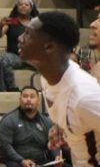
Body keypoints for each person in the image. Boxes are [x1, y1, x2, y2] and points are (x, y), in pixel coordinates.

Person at [18, 11, 100, 167]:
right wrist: (63, 127)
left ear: (48, 46)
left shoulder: (83, 96)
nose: (20, 38)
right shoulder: (47, 78)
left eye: (28, 34)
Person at [0, 86, 55, 167]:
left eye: (32, 96)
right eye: (25, 96)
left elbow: (54, 143)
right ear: (20, 100)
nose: (28, 99)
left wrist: (57, 157)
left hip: (41, 162)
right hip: (16, 162)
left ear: (39, 101)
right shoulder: (9, 120)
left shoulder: (47, 121)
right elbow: (5, 147)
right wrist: (21, 160)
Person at [0, 0, 39, 91]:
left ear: (31, 8)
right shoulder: (11, 21)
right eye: (20, 4)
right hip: (17, 57)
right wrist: (1, 25)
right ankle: (11, 88)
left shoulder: (37, 23)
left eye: (26, 5)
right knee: (2, 59)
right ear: (16, 7)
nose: (23, 6)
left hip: (33, 57)